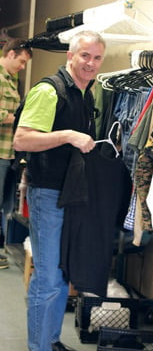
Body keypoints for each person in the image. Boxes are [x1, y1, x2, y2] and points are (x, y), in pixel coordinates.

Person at [13, 30, 105, 351]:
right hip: (48, 193)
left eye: (96, 58)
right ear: (70, 55)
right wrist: (67, 135)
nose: (90, 63)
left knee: (61, 275)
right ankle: (39, 346)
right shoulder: (49, 91)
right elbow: (22, 139)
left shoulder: (87, 93)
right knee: (47, 278)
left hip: (73, 195)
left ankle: (50, 340)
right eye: (84, 56)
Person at [0, 39, 32, 269]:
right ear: (11, 54)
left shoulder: (10, 79)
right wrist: (20, 118)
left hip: (8, 151)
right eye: (21, 61)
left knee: (5, 203)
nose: (22, 67)